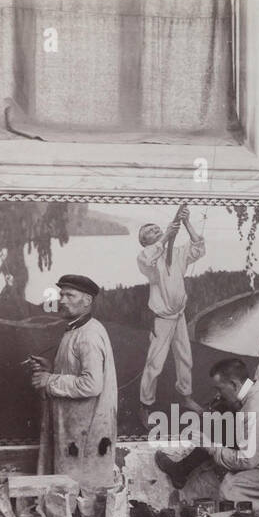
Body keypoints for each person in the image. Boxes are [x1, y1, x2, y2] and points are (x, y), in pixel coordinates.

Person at [154, 358, 259, 516]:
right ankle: (181, 470)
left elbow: (247, 460)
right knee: (224, 421)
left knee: (229, 489)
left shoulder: (254, 411)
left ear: (234, 384)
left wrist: (211, 447)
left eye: (220, 389)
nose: (218, 394)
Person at [29, 274, 119, 490]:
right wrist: (50, 370)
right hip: (74, 430)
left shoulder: (88, 335)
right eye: (62, 295)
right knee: (70, 491)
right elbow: (76, 374)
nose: (63, 300)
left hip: (85, 432)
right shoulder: (76, 330)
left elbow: (92, 384)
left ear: (87, 301)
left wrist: (49, 380)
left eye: (70, 295)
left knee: (82, 493)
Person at [137, 203, 207, 426]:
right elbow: (149, 257)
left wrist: (186, 223)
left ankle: (186, 396)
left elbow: (198, 248)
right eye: (150, 231)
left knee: (185, 358)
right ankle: (145, 405)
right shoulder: (146, 258)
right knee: (155, 363)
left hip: (179, 316)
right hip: (162, 319)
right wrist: (166, 235)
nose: (155, 230)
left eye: (157, 228)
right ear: (145, 241)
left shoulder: (176, 253)